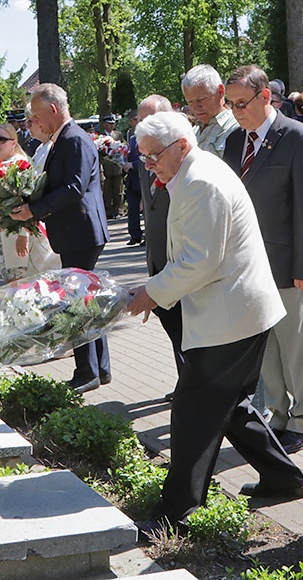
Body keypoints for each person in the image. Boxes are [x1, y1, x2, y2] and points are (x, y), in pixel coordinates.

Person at [125, 111, 303, 536]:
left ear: (181, 146)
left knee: (193, 411)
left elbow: (199, 261)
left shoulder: (200, 181)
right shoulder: (192, 172)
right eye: (144, 157)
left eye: (153, 157)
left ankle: (178, 512)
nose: (148, 165)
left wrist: (152, 292)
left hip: (233, 316)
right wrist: (156, 289)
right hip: (233, 311)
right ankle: (283, 478)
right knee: (228, 405)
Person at [223, 66, 303, 455]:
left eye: (242, 103)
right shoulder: (235, 142)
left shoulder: (298, 138)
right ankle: (279, 414)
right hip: (247, 266)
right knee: (267, 347)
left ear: (266, 97)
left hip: (287, 263)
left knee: (297, 346)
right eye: (230, 104)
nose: (236, 111)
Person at [10, 83, 111, 394]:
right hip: (77, 231)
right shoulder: (64, 139)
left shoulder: (73, 139)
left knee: (76, 304)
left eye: (37, 114)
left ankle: (87, 372)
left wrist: (34, 209)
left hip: (80, 232)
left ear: (53, 109)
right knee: (86, 301)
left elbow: (73, 188)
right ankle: (100, 368)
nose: (35, 120)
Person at [136, 95, 184, 393]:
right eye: (140, 120)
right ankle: (186, 382)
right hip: (157, 257)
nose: (143, 125)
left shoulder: (179, 161)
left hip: (181, 262)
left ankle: (192, 387)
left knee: (189, 332)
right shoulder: (145, 159)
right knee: (175, 333)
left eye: (150, 119)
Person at [0, 123, 59, 283]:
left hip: (18, 232)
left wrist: (22, 235)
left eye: (1, 139)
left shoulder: (19, 165)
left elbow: (24, 202)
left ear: (14, 142)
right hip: (3, 231)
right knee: (11, 281)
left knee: (20, 282)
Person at [181, 64, 239, 157]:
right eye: (190, 101)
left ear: (220, 91)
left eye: (201, 100)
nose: (195, 107)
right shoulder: (194, 131)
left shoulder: (235, 128)